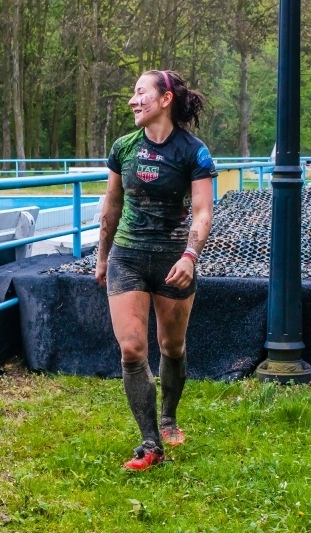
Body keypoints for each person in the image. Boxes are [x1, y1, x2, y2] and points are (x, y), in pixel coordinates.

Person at [96, 69, 216, 471]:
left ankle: (168, 418)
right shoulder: (123, 148)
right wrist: (102, 256)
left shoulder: (193, 152)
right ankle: (150, 443)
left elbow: (202, 211)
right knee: (131, 348)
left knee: (172, 347)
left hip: (173, 262)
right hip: (127, 257)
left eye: (140, 92)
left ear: (165, 99)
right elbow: (111, 204)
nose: (133, 100)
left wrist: (189, 256)